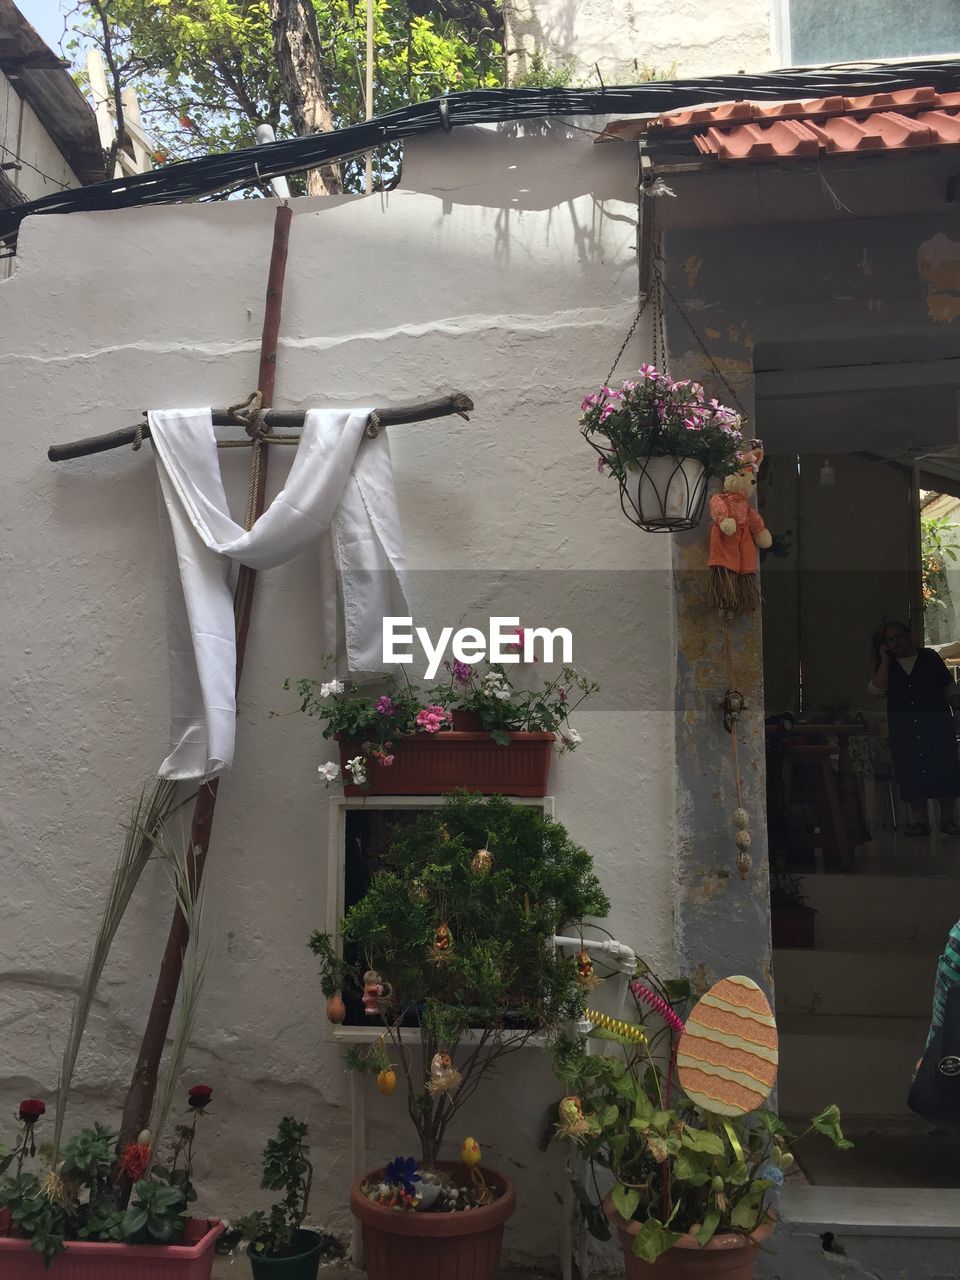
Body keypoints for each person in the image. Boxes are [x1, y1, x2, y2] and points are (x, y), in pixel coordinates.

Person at [868, 620, 960, 837]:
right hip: (905, 729)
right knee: (910, 770)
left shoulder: (929, 658)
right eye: (890, 640)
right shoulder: (888, 665)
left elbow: (950, 687)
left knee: (944, 769)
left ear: (908, 636)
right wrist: (884, 660)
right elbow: (876, 690)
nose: (896, 642)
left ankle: (948, 820)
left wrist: (957, 713)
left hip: (936, 725)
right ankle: (920, 822)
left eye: (899, 637)